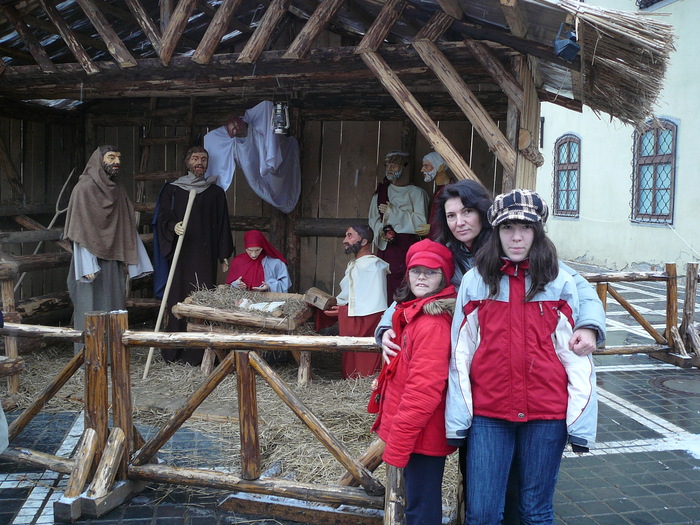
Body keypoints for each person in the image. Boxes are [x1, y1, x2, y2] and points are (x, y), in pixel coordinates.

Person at [376, 180, 605, 523]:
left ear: (485, 213)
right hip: (468, 386)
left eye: (467, 211)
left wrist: (589, 325)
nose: (460, 221)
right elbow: (410, 290)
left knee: (518, 491)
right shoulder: (445, 253)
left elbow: (577, 288)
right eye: (451, 215)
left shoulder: (517, 242)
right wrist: (385, 327)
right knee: (479, 488)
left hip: (526, 391)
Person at [445, 189, 598, 523]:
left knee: (535, 510)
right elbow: (460, 352)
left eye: (525, 228)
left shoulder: (558, 280)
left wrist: (581, 421)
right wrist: (457, 418)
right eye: (507, 228)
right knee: (483, 512)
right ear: (495, 231)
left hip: (546, 413)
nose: (516, 237)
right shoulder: (475, 281)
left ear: (537, 232)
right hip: (489, 412)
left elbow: (575, 360)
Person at [369, 239, 458, 525]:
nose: (421, 277)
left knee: (421, 506)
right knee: (416, 499)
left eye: (431, 272)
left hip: (423, 433)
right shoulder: (415, 312)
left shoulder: (432, 323)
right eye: (416, 270)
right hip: (417, 433)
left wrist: (398, 443)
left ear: (443, 277)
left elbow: (424, 391)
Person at [64, 146, 153, 353]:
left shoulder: (117, 189)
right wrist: (87, 262)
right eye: (111, 157)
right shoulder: (84, 188)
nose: (117, 162)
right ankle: (88, 356)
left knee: (114, 307)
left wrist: (135, 260)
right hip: (88, 261)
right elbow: (79, 228)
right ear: (99, 160)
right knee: (90, 308)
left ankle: (113, 355)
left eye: (118, 157)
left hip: (112, 260)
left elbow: (126, 224)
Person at [155, 146, 234, 366]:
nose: (200, 162)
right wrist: (173, 226)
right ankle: (175, 351)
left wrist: (223, 254)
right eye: (195, 158)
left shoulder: (215, 192)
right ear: (187, 162)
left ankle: (198, 354)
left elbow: (222, 225)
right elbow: (162, 219)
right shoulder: (172, 190)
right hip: (180, 255)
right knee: (178, 299)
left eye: (203, 159)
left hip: (204, 256)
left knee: (201, 298)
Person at [203, 101, 301, 213]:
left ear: (242, 121)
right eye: (232, 130)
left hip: (265, 158)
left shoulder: (256, 126)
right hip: (247, 158)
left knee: (274, 176)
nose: (236, 130)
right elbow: (212, 142)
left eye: (236, 126)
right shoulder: (227, 140)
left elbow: (266, 107)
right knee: (254, 180)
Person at [324, 225, 389, 379]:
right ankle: (351, 378)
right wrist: (332, 304)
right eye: (346, 236)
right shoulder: (354, 264)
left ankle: (365, 379)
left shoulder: (374, 267)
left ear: (365, 241)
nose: (345, 240)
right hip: (356, 315)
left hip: (368, 321)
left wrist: (343, 312)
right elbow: (350, 295)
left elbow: (374, 305)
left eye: (350, 236)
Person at [369, 151, 429, 301]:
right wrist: (381, 232)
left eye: (394, 165)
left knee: (407, 285)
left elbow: (420, 222)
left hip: (408, 249)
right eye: (387, 165)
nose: (390, 168)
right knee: (385, 288)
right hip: (386, 250)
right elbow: (373, 219)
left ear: (405, 168)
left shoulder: (416, 193)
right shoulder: (380, 193)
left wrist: (393, 212)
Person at [226, 230, 291, 293]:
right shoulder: (238, 261)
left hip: (267, 301)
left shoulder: (276, 262)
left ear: (262, 247)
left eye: (257, 250)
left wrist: (269, 286)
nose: (253, 254)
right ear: (245, 247)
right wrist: (236, 284)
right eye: (250, 250)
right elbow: (229, 285)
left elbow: (285, 284)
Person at [420, 152, 455, 240]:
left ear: (440, 167)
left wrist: (432, 228)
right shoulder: (440, 190)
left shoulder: (450, 191)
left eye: (427, 166)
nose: (422, 170)